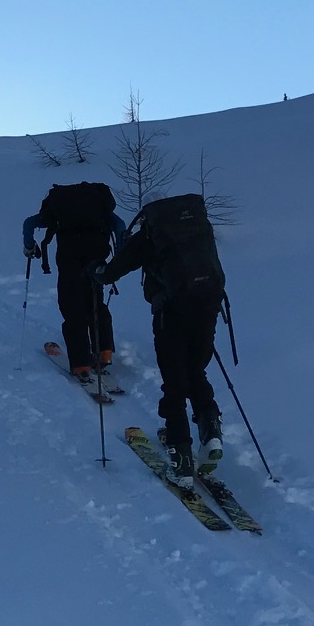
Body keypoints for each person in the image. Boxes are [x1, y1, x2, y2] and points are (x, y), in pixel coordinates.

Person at [91, 192, 226, 478]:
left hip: (171, 313)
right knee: (195, 371)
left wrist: (97, 271)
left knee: (174, 381)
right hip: (208, 306)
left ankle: (182, 454)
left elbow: (112, 272)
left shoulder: (150, 237)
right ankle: (210, 427)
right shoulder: (198, 229)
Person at [22, 182, 127, 378]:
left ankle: (81, 364)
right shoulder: (99, 209)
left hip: (69, 263)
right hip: (97, 263)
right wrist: (120, 255)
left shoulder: (60, 209)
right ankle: (104, 352)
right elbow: (119, 225)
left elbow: (29, 223)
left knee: (72, 308)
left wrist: (29, 246)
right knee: (96, 303)